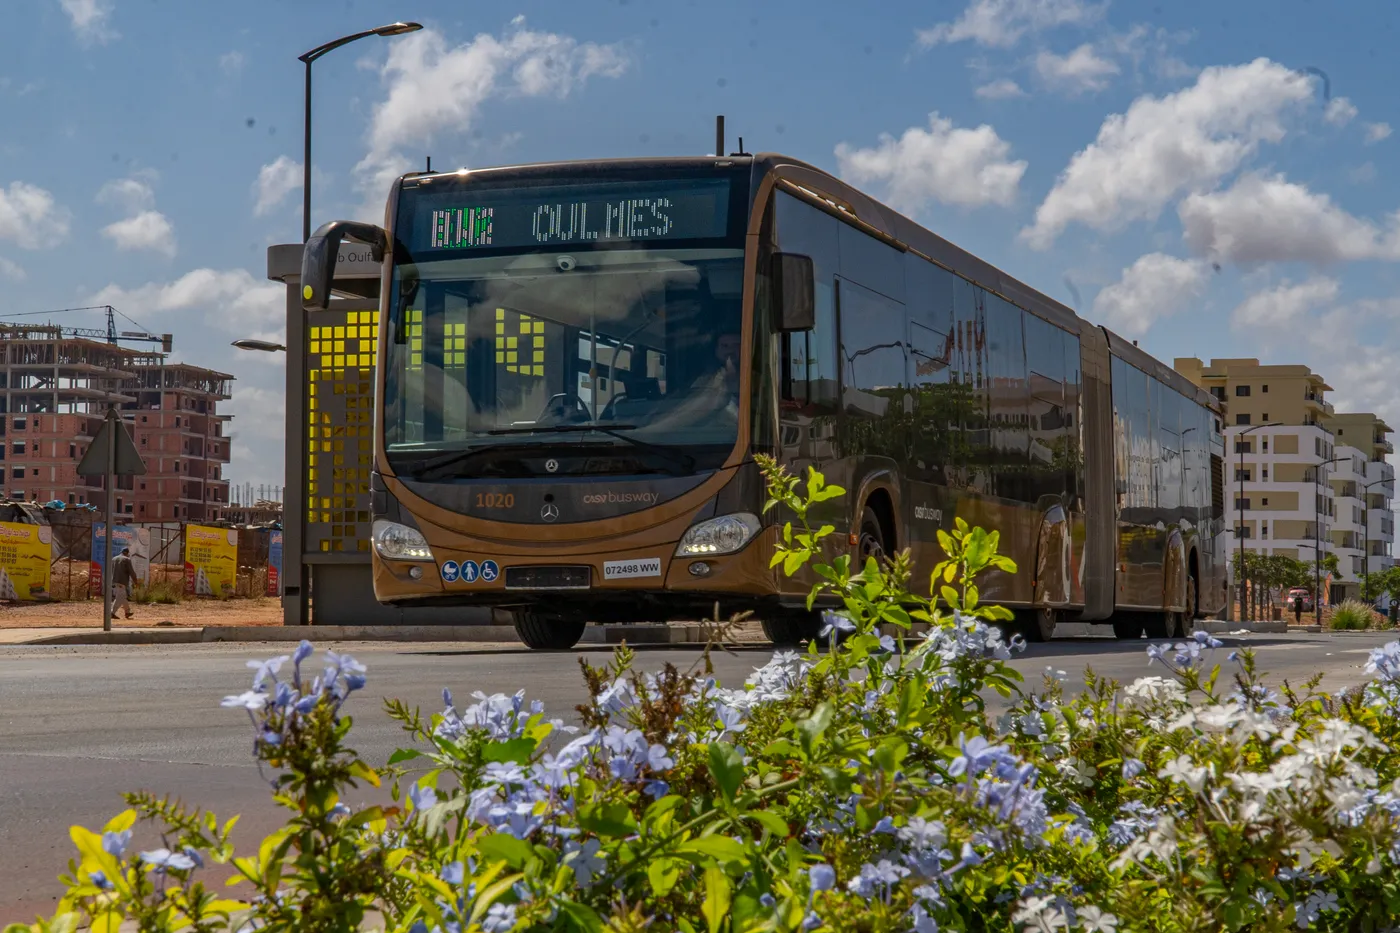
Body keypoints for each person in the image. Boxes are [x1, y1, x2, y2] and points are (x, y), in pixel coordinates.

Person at [112, 547, 135, 620]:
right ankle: (111, 612)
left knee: (122, 596)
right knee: (119, 597)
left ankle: (127, 612)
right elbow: (131, 571)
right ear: (127, 553)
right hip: (122, 581)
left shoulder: (114, 559)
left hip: (115, 580)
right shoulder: (127, 560)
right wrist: (135, 580)